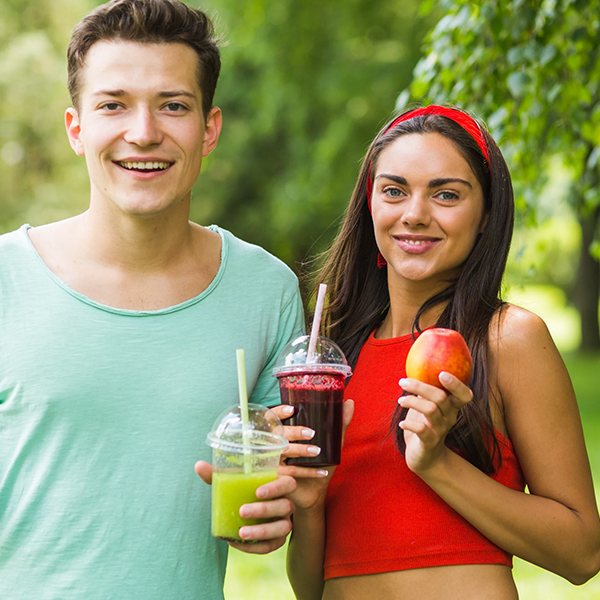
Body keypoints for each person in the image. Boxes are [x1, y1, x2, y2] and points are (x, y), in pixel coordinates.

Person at [0, 1, 309, 598]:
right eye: (113, 105)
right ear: (76, 128)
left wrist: (270, 516)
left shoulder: (266, 289)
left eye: (173, 105)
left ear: (209, 128)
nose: (143, 132)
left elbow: (284, 487)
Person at [286, 105, 600, 599]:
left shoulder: (506, 339)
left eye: (446, 194)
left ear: (487, 215)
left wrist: (437, 463)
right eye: (394, 191)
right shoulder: (334, 360)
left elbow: (583, 553)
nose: (414, 213)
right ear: (370, 205)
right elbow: (312, 588)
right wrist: (308, 506)